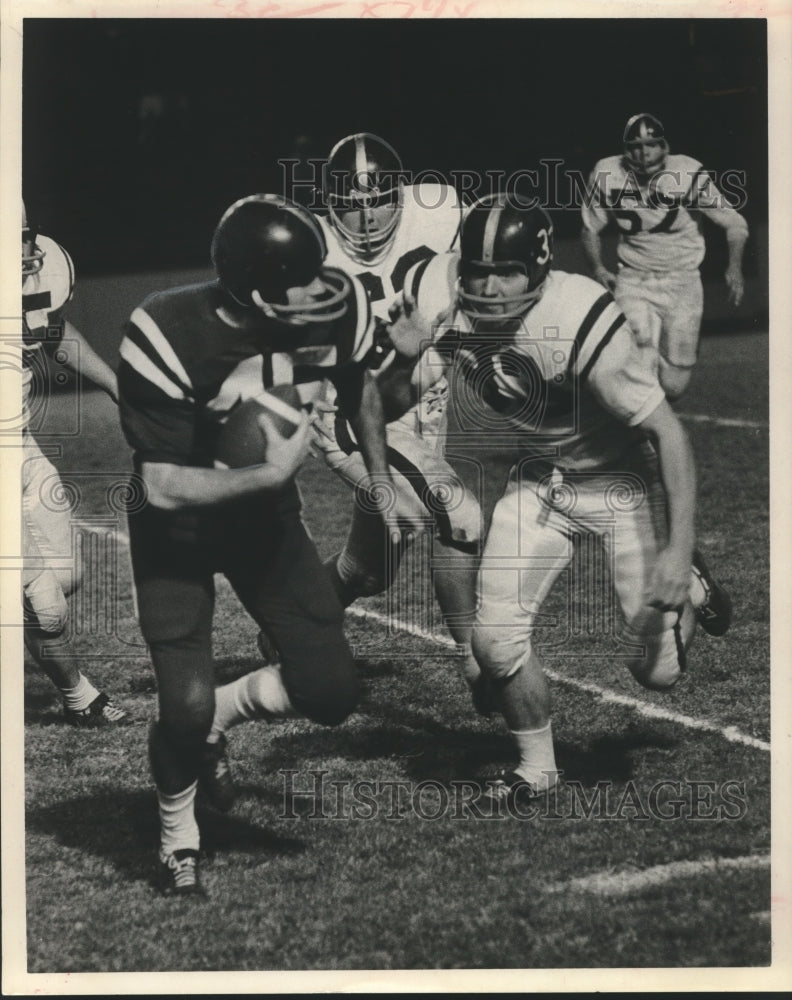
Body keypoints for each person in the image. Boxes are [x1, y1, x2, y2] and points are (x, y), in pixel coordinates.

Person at [390, 194, 732, 804]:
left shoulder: (579, 316)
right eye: (477, 270)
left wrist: (677, 554)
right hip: (540, 482)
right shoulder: (446, 309)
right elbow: (393, 398)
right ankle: (538, 768)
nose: (489, 287)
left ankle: (694, 587)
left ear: (539, 270)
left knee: (657, 675)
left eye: (506, 272)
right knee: (493, 643)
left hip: (620, 484)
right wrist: (402, 354)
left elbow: (668, 434)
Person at [117, 194, 394, 896]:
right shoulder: (167, 330)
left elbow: (358, 383)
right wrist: (267, 471)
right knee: (180, 706)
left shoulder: (335, 307)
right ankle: (179, 831)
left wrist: (380, 477)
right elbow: (162, 485)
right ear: (256, 291)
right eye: (299, 279)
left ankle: (221, 719)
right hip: (176, 532)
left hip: (266, 525)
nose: (320, 290)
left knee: (331, 692)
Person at [303, 132, 483, 706]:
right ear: (332, 203)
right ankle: (483, 667)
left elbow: (498, 242)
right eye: (351, 203)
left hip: (421, 401)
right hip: (351, 413)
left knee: (370, 571)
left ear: (399, 194)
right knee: (457, 514)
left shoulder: (443, 209)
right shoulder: (309, 246)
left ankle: (293, 635)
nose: (364, 215)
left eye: (377, 198)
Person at [21, 204, 128, 727]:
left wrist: (115, 385)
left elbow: (53, 333)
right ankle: (80, 697)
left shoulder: (34, 275)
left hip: (18, 445)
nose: (26, 251)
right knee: (41, 601)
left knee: (64, 575)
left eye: (26, 236)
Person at [581, 113, 749, 401]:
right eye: (635, 146)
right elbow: (590, 228)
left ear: (664, 146)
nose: (644, 153)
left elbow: (735, 223)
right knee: (633, 363)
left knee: (674, 385)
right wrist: (597, 267)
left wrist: (734, 266)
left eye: (652, 144)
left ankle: (660, 385)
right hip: (634, 277)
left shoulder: (688, 172)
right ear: (625, 149)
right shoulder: (607, 173)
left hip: (682, 280)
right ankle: (641, 428)